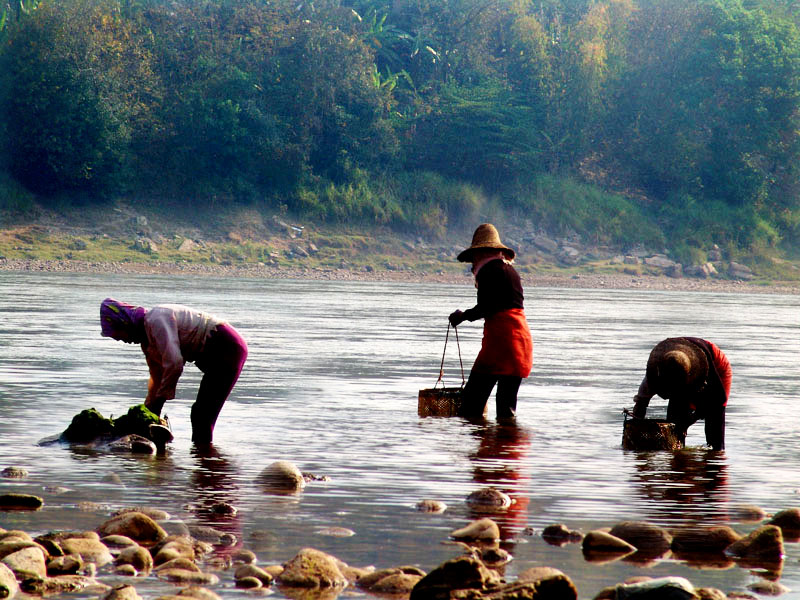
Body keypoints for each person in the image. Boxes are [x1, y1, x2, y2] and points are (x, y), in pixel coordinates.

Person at [100, 298, 248, 445]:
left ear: (125, 323)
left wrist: (160, 401)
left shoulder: (156, 320)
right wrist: (149, 408)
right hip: (215, 353)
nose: (119, 339)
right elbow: (157, 376)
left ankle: (205, 458)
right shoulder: (148, 342)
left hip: (226, 346)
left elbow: (174, 363)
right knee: (200, 414)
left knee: (202, 414)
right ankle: (202, 458)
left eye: (117, 333)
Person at [449, 223, 533, 418]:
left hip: (501, 344)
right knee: (506, 410)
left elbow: (486, 307)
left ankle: (482, 444)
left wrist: (462, 316)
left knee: (471, 406)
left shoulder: (489, 272)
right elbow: (497, 305)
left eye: (474, 257)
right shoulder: (510, 271)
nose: (473, 263)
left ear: (481, 253)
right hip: (521, 344)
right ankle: (507, 446)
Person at [631, 337, 731, 451]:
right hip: (680, 369)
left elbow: (719, 399)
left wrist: (689, 421)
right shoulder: (654, 376)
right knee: (674, 426)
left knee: (714, 428)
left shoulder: (704, 371)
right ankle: (678, 460)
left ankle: (716, 457)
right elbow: (641, 404)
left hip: (715, 366)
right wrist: (636, 426)